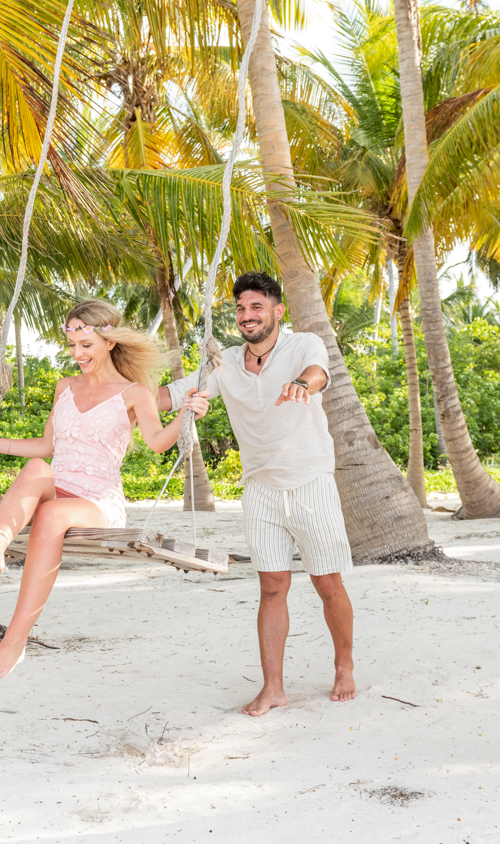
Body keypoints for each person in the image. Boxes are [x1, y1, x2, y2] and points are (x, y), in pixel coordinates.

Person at [0, 299, 209, 680]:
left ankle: (14, 641)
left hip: (97, 500)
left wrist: (185, 415)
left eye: (86, 345)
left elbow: (158, 442)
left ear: (109, 342)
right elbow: (48, 446)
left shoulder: (134, 393)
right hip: (59, 484)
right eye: (72, 345)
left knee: (51, 513)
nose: (77, 354)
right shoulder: (64, 386)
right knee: (37, 468)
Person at [158, 272, 356, 716]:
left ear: (277, 311)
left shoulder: (303, 344)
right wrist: (116, 390)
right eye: (241, 308)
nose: (247, 315)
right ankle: (274, 688)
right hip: (260, 488)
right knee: (271, 587)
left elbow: (317, 373)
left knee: (328, 584)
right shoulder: (224, 362)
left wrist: (301, 384)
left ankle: (344, 666)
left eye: (256, 307)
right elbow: (168, 396)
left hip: (311, 481)